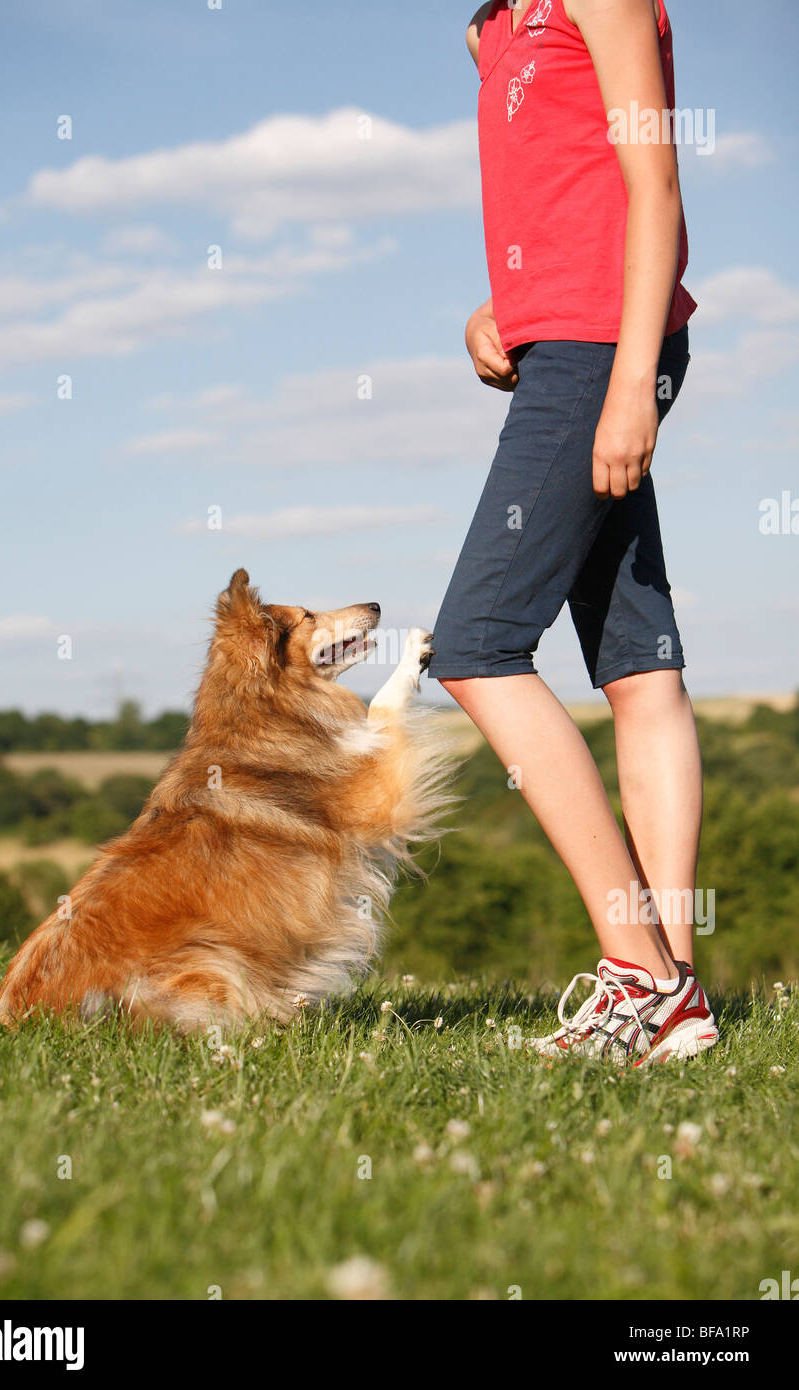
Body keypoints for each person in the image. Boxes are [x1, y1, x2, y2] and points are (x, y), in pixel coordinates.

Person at [429, 0, 718, 1065]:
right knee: (636, 667)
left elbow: (650, 184)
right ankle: (671, 995)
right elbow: (553, 197)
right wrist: (496, 308)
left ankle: (638, 972)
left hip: (609, 347)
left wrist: (631, 383)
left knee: (476, 643)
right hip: (565, 342)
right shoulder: (489, 31)